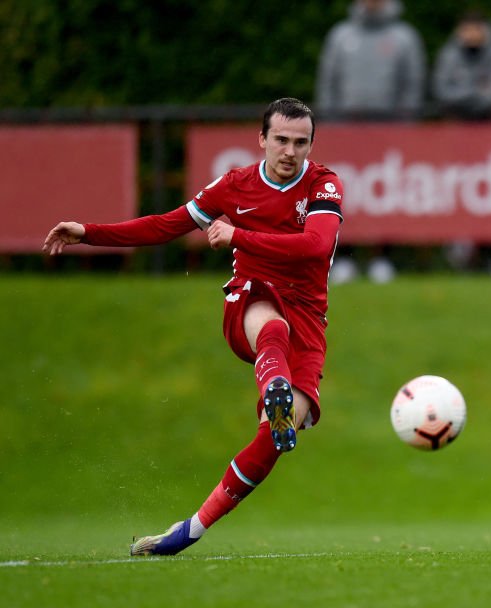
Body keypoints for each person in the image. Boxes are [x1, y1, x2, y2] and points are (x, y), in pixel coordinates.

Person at [43, 98, 344, 556]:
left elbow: (316, 247)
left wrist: (237, 236)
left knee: (274, 440)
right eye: (280, 140)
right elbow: (166, 226)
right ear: (261, 139)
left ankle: (189, 531)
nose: (289, 151)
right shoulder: (235, 186)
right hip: (252, 296)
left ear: (311, 146)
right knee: (272, 327)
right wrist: (89, 232)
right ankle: (274, 384)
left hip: (309, 316)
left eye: (300, 143)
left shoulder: (323, 184)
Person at [315, 0, 426, 120]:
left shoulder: (405, 37)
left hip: (392, 123)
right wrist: (329, 116)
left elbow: (413, 82)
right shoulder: (340, 36)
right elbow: (328, 80)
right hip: (346, 121)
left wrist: (406, 117)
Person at [433, 10, 491, 120]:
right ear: (459, 31)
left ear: (487, 30)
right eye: (467, 30)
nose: (471, 34)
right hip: (457, 117)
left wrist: (480, 102)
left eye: (476, 29)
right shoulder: (448, 56)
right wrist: (473, 94)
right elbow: (441, 90)